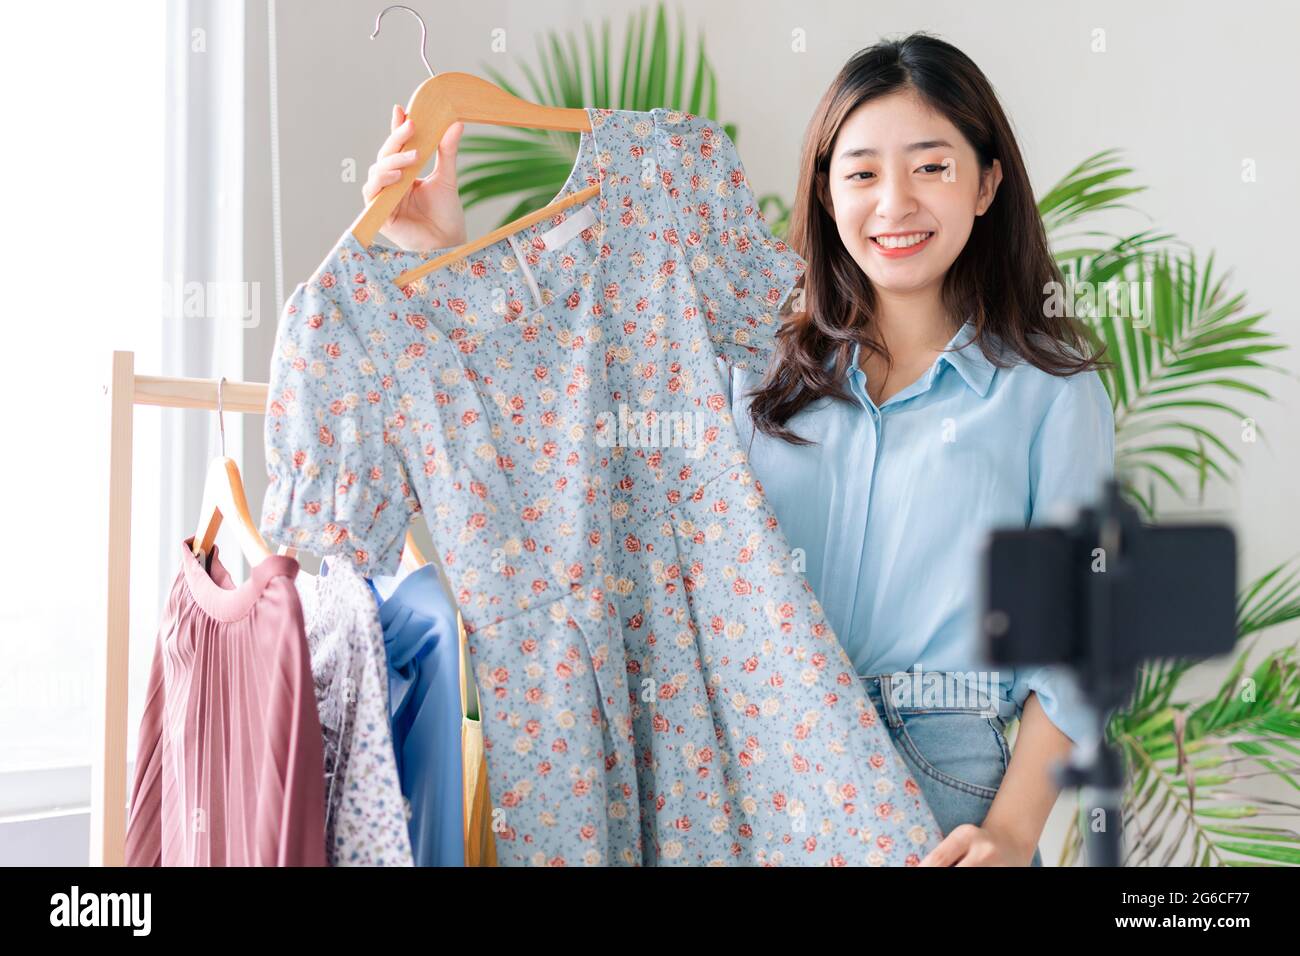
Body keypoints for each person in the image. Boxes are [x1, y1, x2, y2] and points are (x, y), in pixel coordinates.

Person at [362, 32, 1116, 867]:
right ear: (827, 196)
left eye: (931, 166)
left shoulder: (1051, 394)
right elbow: (567, 449)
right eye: (861, 172)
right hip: (738, 763)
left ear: (987, 184)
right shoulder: (743, 356)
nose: (894, 203)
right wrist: (439, 250)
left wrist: (1012, 834)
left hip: (938, 778)